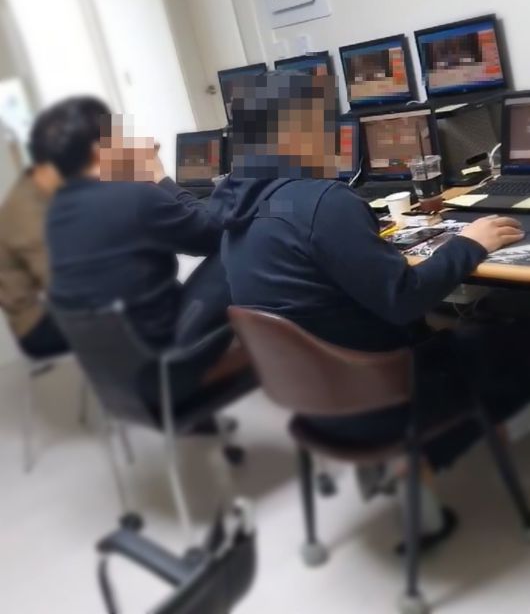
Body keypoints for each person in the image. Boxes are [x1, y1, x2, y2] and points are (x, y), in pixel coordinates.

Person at [209, 71, 530, 539]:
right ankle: (431, 450)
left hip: (316, 402)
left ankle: (444, 444)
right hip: (389, 398)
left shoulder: (235, 211)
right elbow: (404, 299)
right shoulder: (321, 202)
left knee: (477, 324)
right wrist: (470, 243)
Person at [41, 97, 230, 352]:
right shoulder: (134, 198)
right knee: (237, 246)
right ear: (98, 150)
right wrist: (158, 176)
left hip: (112, 357)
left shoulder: (57, 211)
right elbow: (214, 233)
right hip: (164, 353)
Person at [0, 106, 76, 359]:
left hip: (54, 307)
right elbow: (63, 285)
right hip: (38, 325)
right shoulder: (27, 212)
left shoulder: (40, 190)